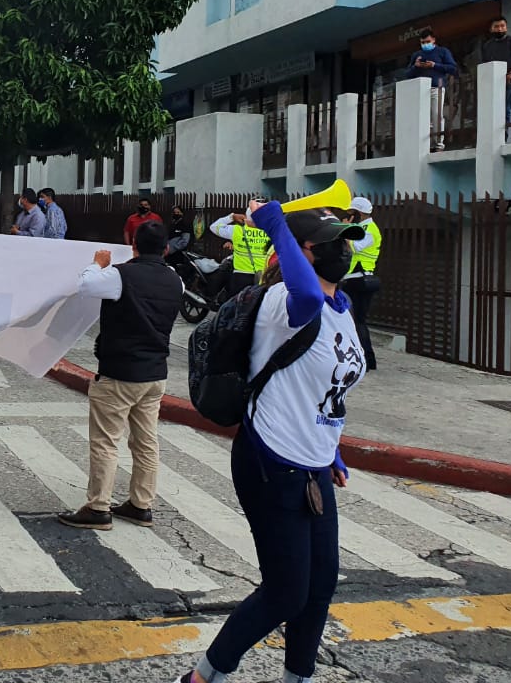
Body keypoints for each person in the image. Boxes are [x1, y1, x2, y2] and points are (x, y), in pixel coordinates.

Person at [174, 202, 367, 683]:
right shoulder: (287, 300)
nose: (343, 248)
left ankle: (297, 677)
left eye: (345, 239)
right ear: (304, 252)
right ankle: (202, 678)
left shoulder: (341, 309)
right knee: (285, 591)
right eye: (329, 242)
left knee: (319, 584)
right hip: (271, 459)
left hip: (314, 463)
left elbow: (329, 388)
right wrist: (274, 222)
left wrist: (334, 449)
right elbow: (302, 288)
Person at [59, 221, 183, 530]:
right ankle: (141, 505)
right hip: (155, 374)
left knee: (105, 441)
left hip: (120, 372)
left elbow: (86, 286)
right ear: (166, 249)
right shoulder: (175, 280)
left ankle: (98, 507)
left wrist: (96, 264)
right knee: (146, 442)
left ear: (134, 247)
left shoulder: (120, 275)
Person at [341, 197, 382, 372]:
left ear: (360, 213)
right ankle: (359, 356)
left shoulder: (371, 230)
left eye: (352, 212)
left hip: (361, 279)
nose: (350, 215)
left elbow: (356, 247)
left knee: (358, 320)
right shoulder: (361, 227)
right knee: (351, 319)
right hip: (352, 279)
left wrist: (345, 230)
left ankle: (367, 359)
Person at [405, 28, 458, 151]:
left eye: (427, 41)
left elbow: (452, 68)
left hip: (436, 87)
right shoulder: (416, 55)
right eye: (423, 42)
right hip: (420, 89)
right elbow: (407, 74)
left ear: (434, 40)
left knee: (436, 115)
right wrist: (416, 67)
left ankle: (438, 144)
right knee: (422, 117)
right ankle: (426, 144)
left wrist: (434, 65)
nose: (425, 44)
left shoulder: (442, 52)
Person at [210, 211, 270, 297]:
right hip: (262, 277)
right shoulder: (271, 232)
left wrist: (232, 217)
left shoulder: (237, 230)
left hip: (240, 277)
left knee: (238, 306)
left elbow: (214, 227)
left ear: (246, 217)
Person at [480, 15, 511, 125]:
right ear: (491, 29)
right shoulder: (487, 45)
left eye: (502, 26)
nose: (500, 29)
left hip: (508, 82)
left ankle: (504, 136)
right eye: (496, 26)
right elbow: (485, 64)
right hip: (492, 82)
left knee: (505, 109)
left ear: (506, 27)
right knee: (491, 110)